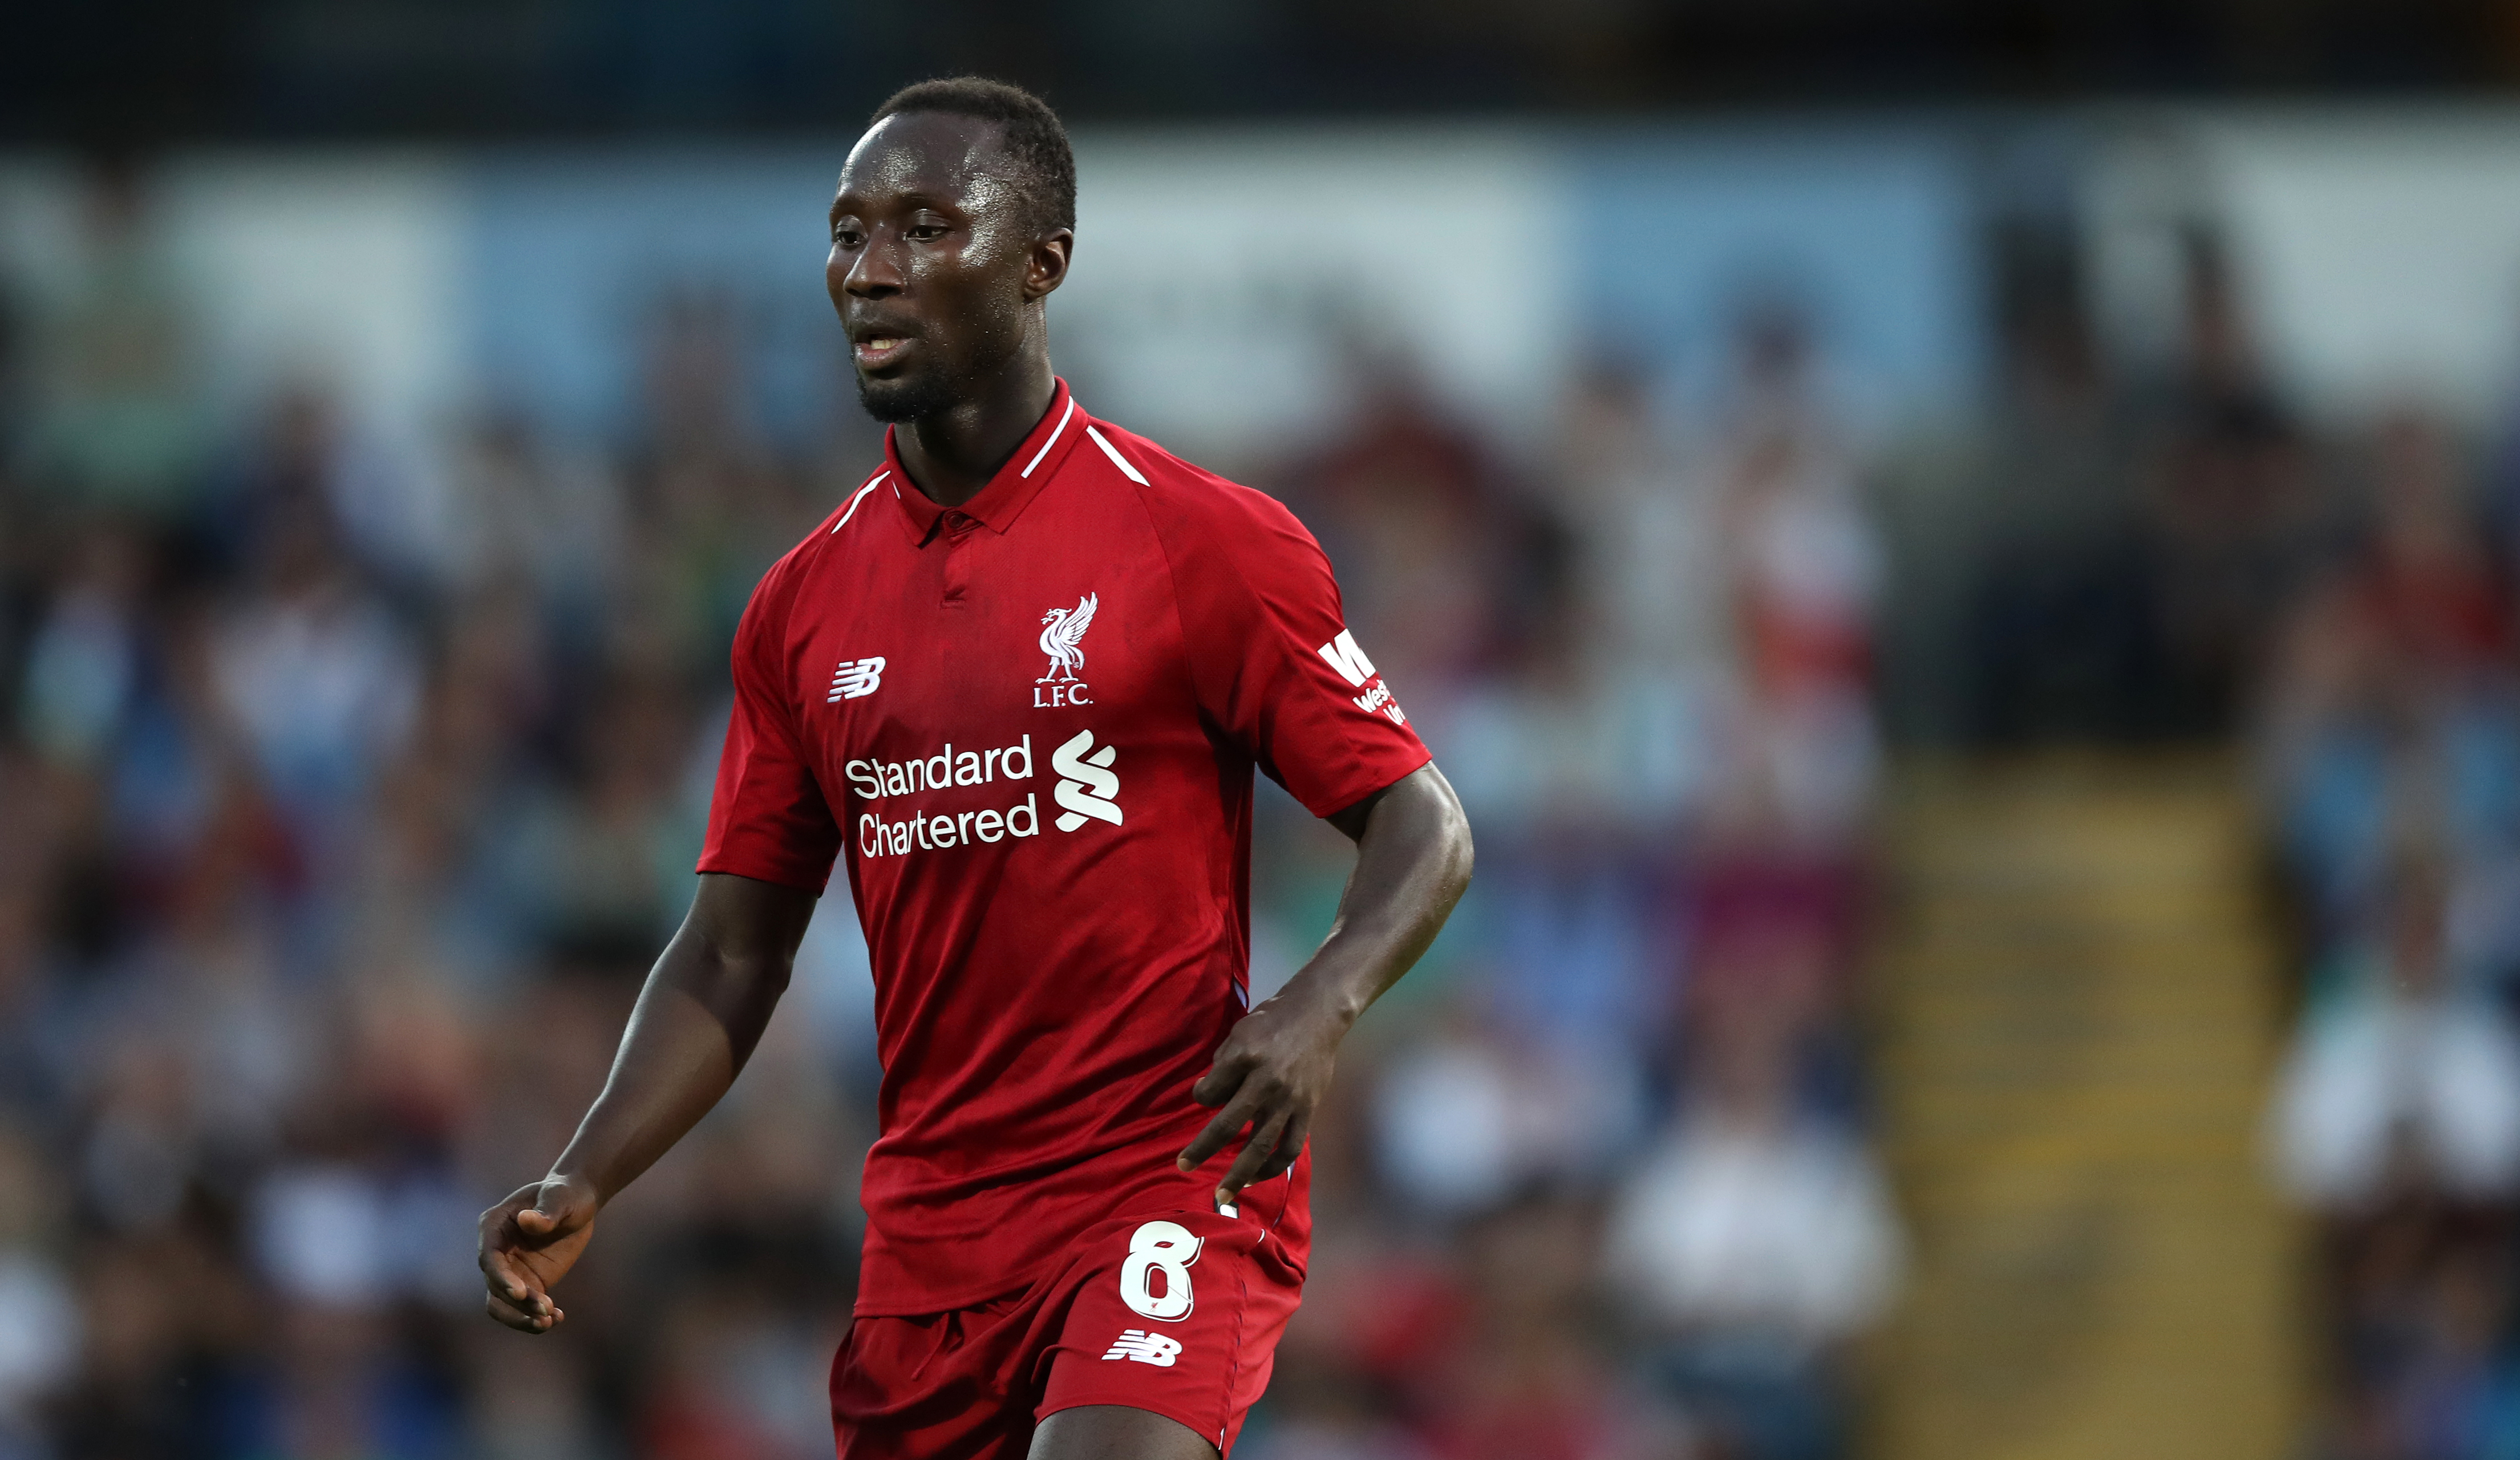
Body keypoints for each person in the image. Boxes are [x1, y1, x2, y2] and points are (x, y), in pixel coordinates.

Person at [473, 76, 1474, 1460]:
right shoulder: (800, 606)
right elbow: (728, 954)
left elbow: (1424, 825)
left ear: (1038, 265)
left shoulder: (1200, 542)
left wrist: (1316, 1008)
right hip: (930, 1240)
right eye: (846, 232)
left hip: (1163, 1177)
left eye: (925, 227)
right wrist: (589, 1165)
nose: (867, 271)